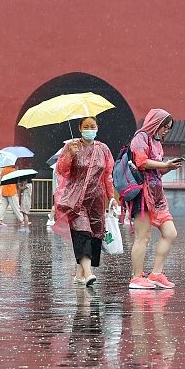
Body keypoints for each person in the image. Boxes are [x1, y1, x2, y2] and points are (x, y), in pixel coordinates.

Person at [55, 116, 117, 287]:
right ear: (80, 128)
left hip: (97, 200)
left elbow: (107, 175)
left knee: (95, 236)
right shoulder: (71, 146)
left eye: (93, 126)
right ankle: (89, 274)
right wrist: (69, 155)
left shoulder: (103, 149)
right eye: (86, 126)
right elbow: (62, 170)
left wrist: (111, 197)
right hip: (76, 199)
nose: (90, 129)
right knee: (82, 233)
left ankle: (80, 274)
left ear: (97, 128)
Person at [128, 109, 183, 290]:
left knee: (170, 233)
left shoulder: (157, 143)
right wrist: (164, 164)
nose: (166, 130)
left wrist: (168, 167)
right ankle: (137, 277)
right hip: (142, 194)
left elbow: (157, 171)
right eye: (164, 126)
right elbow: (141, 162)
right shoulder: (141, 137)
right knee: (143, 237)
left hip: (157, 196)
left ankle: (156, 274)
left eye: (169, 128)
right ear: (155, 123)